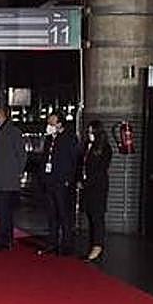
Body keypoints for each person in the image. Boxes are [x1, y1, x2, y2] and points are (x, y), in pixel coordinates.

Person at [36, 112, 79, 256]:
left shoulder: (69, 138)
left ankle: (67, 245)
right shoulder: (49, 138)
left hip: (62, 181)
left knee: (64, 214)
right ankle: (52, 243)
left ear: (59, 124)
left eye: (52, 123)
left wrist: (70, 179)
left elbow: (74, 160)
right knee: (51, 213)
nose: (49, 126)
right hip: (49, 180)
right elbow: (44, 157)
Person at [0, 106, 25, 251]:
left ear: (0, 116)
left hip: (7, 179)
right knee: (2, 211)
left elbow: (21, 155)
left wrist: (18, 173)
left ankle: (3, 241)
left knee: (4, 211)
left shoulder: (13, 133)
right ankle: (5, 239)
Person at [80, 119, 112, 262]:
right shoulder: (87, 146)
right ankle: (93, 245)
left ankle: (98, 246)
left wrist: (86, 182)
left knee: (97, 217)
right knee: (91, 216)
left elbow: (100, 170)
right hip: (87, 186)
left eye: (92, 132)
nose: (89, 134)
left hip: (97, 187)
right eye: (88, 132)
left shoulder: (105, 148)